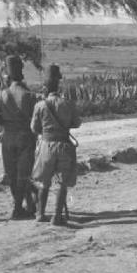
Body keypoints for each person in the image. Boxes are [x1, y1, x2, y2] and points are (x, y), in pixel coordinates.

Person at [0, 55, 37, 219]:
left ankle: (21, 205)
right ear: (21, 74)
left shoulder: (0, 95)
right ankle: (18, 209)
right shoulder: (29, 95)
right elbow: (35, 118)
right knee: (24, 174)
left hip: (7, 137)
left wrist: (5, 124)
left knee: (12, 174)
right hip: (25, 136)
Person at [31, 64, 81, 226]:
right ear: (58, 84)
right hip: (64, 146)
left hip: (46, 146)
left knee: (43, 182)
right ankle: (57, 217)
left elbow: (34, 128)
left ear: (45, 86)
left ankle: (40, 213)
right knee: (62, 182)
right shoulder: (67, 104)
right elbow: (77, 123)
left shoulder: (40, 105)